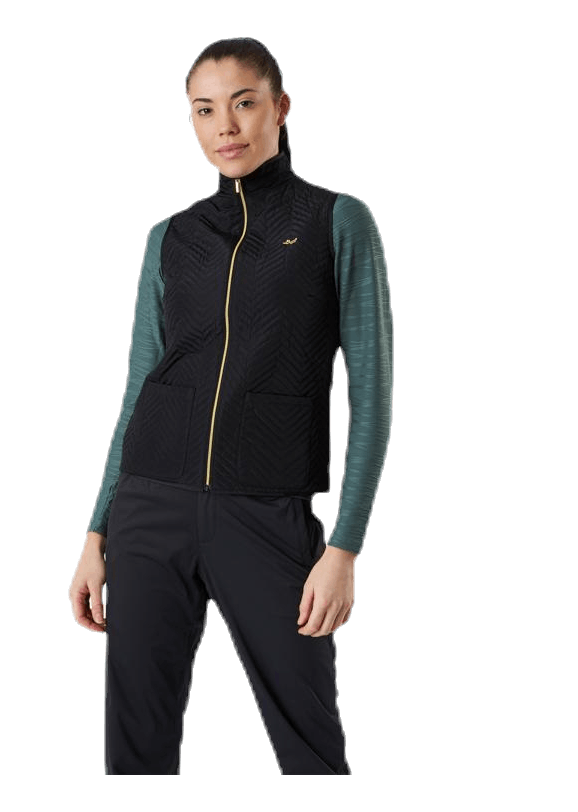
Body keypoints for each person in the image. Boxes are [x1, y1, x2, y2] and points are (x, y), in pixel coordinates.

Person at [69, 37, 393, 775]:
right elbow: (138, 387)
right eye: (204, 109)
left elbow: (373, 396)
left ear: (280, 107)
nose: (226, 126)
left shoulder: (337, 220)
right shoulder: (170, 236)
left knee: (310, 748)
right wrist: (97, 530)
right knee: (135, 748)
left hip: (267, 513)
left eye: (244, 103)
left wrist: (343, 550)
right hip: (149, 507)